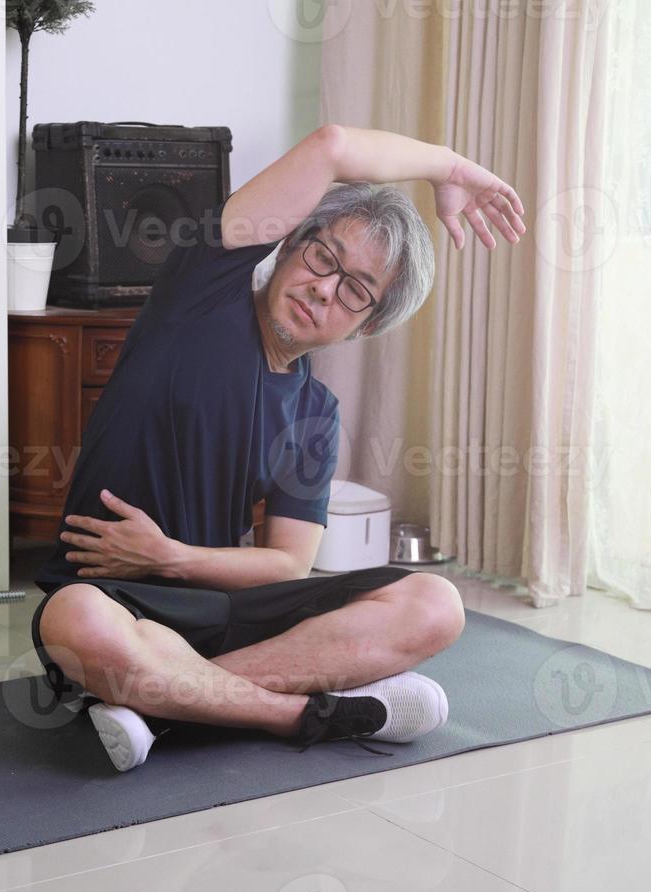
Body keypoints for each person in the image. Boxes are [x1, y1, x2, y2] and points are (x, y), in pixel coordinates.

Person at [29, 124, 528, 771]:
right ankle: (307, 713)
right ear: (290, 242)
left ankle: (166, 704)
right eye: (324, 259)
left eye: (355, 291)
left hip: (217, 605)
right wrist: (449, 168)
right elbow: (331, 146)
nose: (326, 288)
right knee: (76, 626)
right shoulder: (202, 293)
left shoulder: (316, 412)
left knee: (436, 604)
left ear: (366, 323)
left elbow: (287, 565)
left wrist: (171, 556)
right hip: (113, 593)